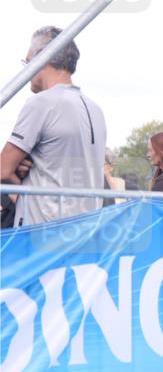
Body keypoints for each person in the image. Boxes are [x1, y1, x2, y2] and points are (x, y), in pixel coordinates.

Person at [0, 26, 107, 226]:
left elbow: (2, 170)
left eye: (27, 62)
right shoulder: (96, 110)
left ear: (42, 57)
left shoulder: (42, 103)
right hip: (84, 232)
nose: (26, 71)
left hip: (42, 232)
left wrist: (22, 184)